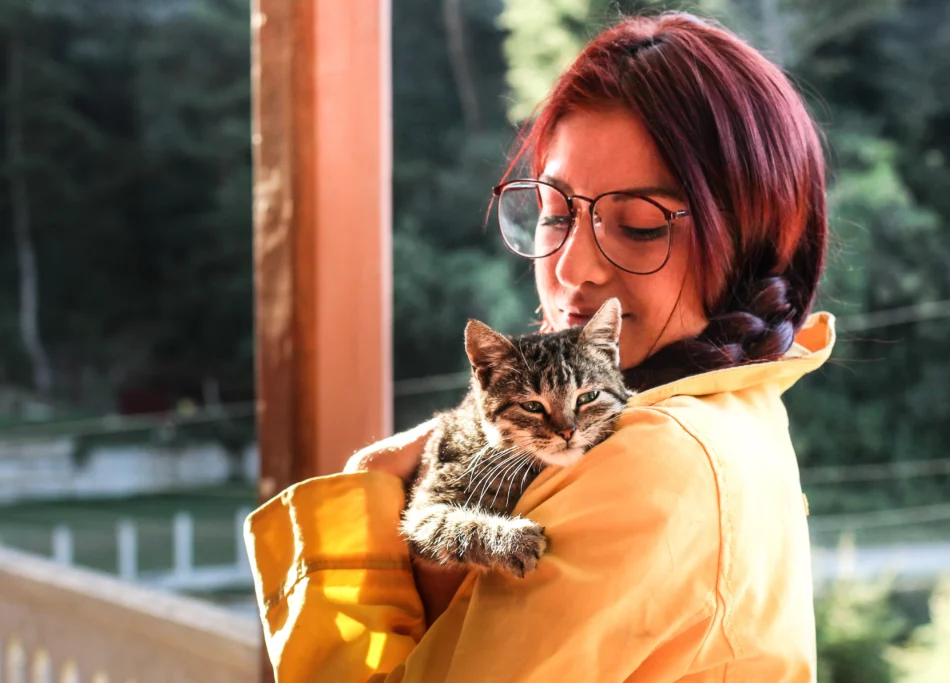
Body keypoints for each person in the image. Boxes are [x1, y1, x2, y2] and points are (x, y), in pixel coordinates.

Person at [245, 11, 834, 682]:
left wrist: (365, 498)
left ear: (751, 243)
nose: (570, 266)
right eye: (555, 214)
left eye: (639, 225)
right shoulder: (743, 407)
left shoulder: (656, 458)